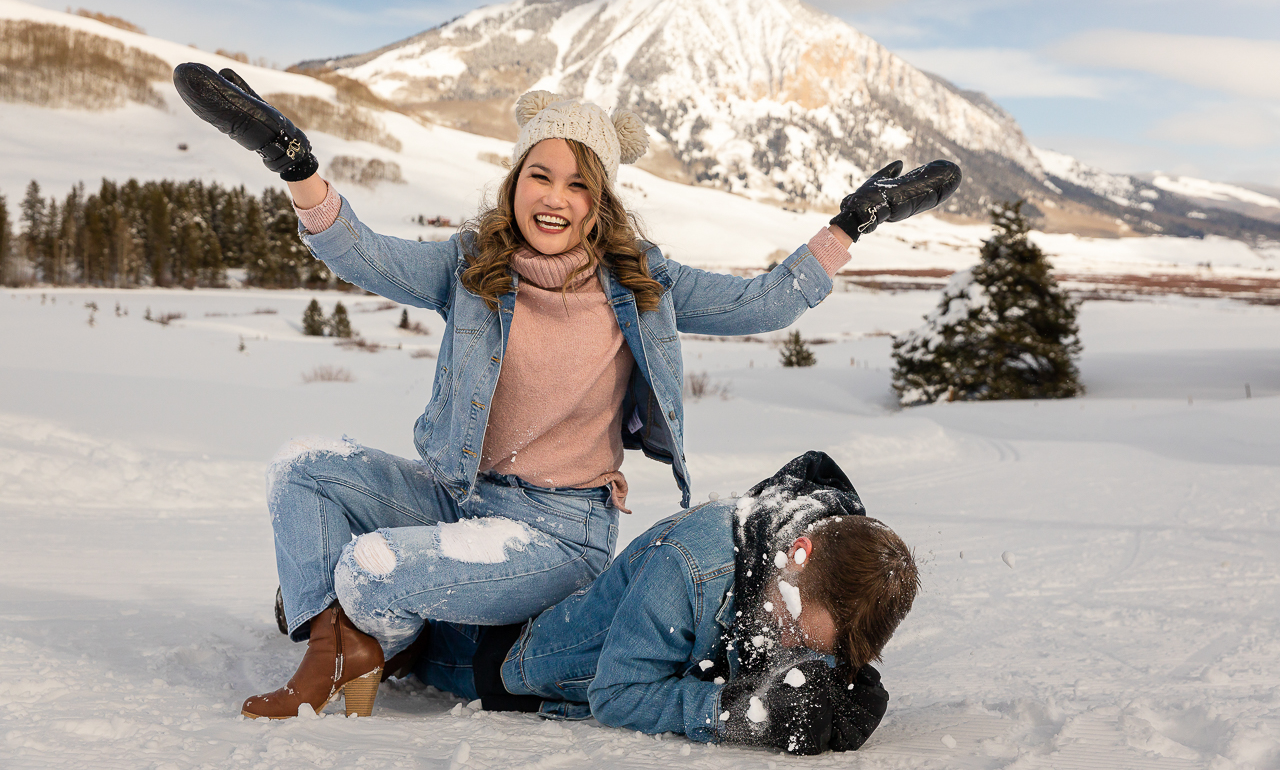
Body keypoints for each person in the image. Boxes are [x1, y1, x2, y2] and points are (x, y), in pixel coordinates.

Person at [172, 64, 954, 721]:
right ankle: (342, 640)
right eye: (539, 174)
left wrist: (854, 220)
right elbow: (364, 255)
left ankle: (355, 640)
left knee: (373, 567)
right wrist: (295, 164)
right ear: (515, 181)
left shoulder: (643, 283)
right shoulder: (470, 265)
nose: (555, 196)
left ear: (600, 199)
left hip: (555, 533)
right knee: (302, 466)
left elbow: (766, 303)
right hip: (456, 496)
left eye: (579, 183)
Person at [405, 451, 918, 755]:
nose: (797, 650)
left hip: (559, 617)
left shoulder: (825, 560)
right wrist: (741, 714)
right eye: (800, 635)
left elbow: (823, 640)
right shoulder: (691, 561)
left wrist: (841, 684)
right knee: (402, 651)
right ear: (798, 555)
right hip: (510, 661)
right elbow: (617, 694)